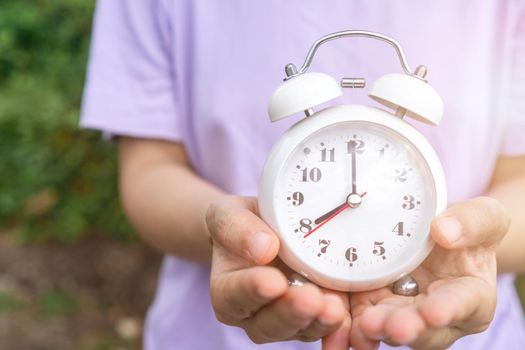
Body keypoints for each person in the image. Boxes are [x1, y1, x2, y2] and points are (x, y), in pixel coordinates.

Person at [80, 1, 525, 349]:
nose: (353, 201)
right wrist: (242, 236)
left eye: (355, 201)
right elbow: (149, 171)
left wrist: (458, 243)